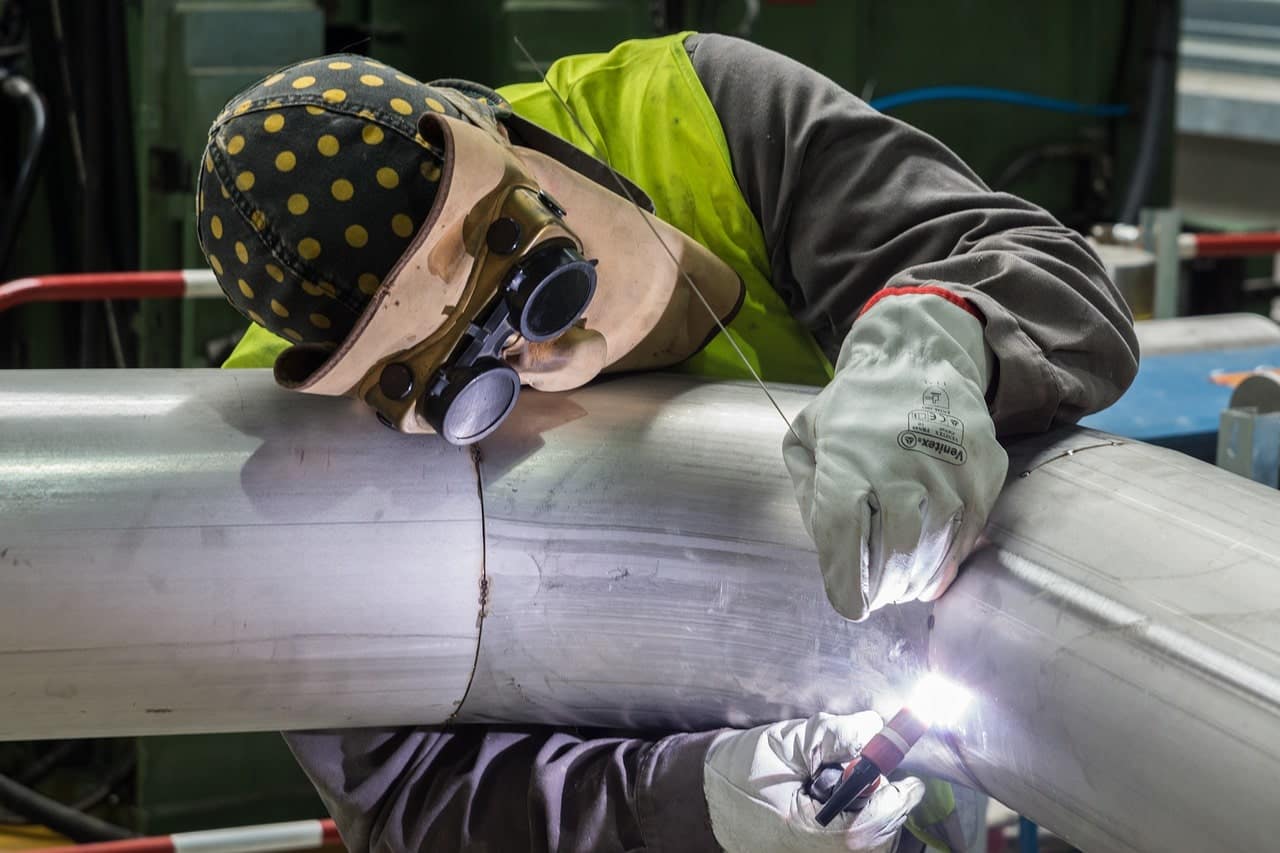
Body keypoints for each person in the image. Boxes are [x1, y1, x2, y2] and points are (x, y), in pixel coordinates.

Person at [197, 31, 1137, 853]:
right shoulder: (303, 451)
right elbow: (406, 794)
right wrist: (694, 803)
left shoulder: (701, 110)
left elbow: (1053, 277)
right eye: (466, 379)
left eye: (540, 281)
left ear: (507, 135)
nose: (544, 353)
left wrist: (945, 333)